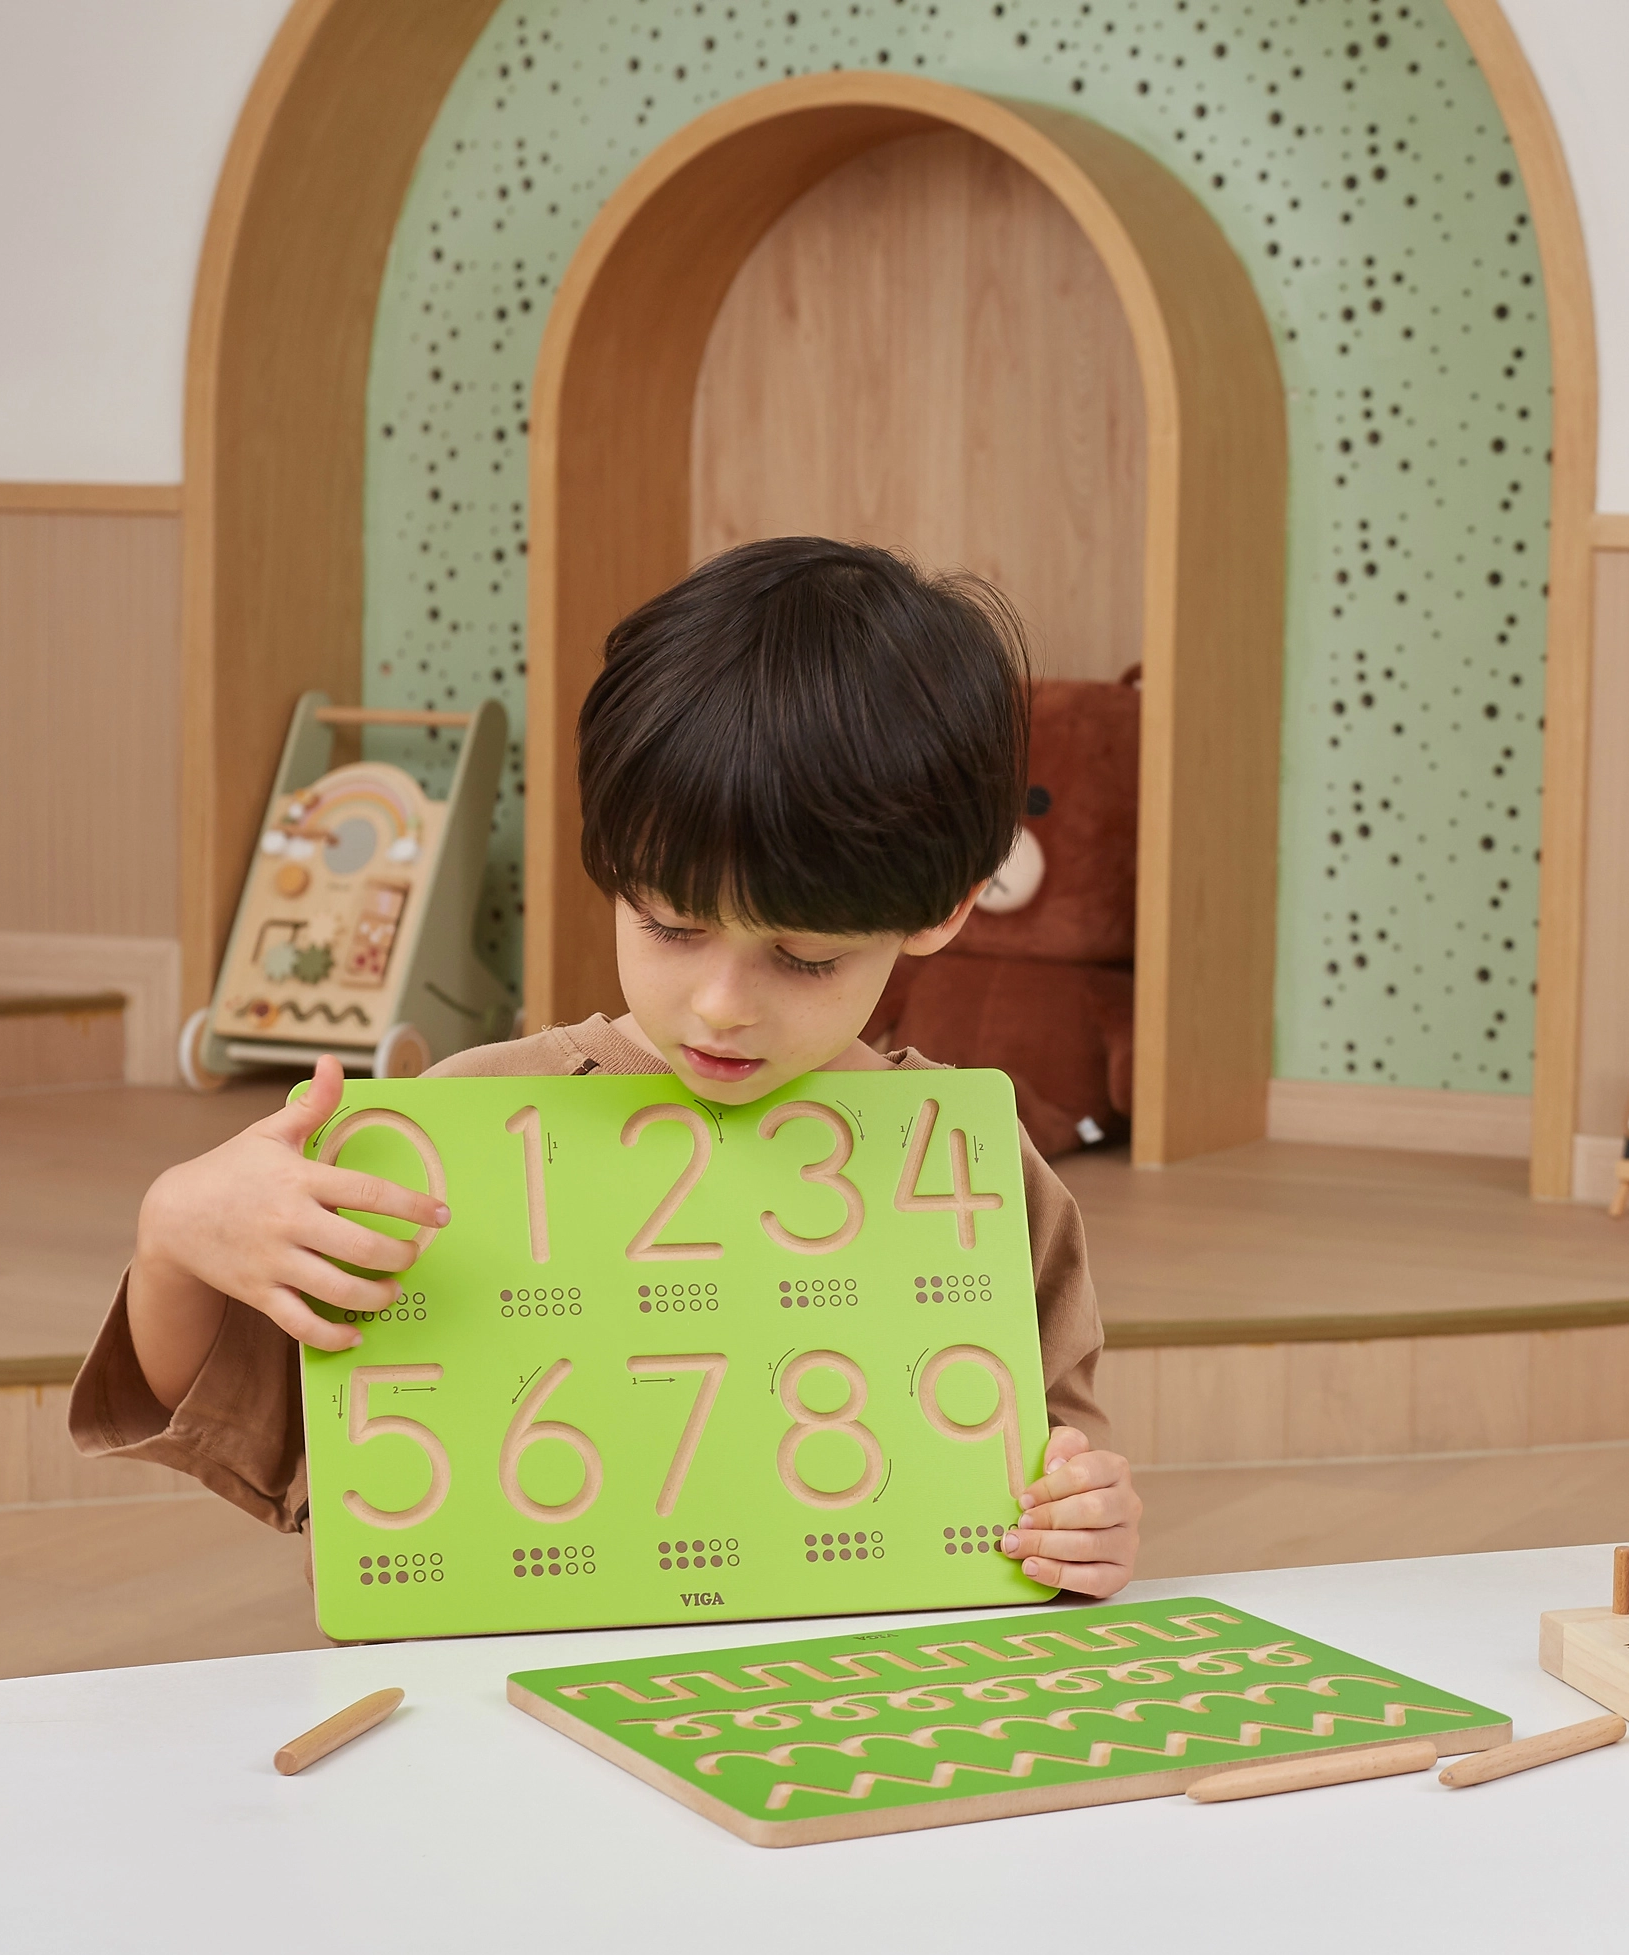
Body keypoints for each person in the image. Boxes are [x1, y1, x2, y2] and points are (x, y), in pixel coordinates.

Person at [72, 538, 1142, 1596]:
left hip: (853, 1673)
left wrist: (1085, 1522)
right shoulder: (463, 1125)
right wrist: (175, 1235)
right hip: (500, 1674)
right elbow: (250, 1425)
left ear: (943, 910)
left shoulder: (972, 1170)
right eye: (670, 925)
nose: (721, 1005)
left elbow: (1054, 1468)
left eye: (805, 956)